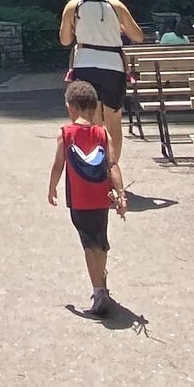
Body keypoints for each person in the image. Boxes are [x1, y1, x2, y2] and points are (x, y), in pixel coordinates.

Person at [47, 78, 128, 318]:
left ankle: (99, 291)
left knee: (88, 244)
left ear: (71, 107)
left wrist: (52, 187)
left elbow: (58, 165)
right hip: (101, 198)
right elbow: (112, 165)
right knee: (100, 240)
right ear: (94, 109)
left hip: (79, 200)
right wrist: (121, 194)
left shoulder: (65, 134)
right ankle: (102, 281)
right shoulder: (103, 133)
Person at [58, 0, 143, 166]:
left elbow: (65, 40)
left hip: (85, 64)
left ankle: (93, 168)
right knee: (113, 120)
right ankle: (112, 167)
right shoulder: (116, 5)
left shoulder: (73, 7)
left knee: (90, 119)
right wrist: (118, 27)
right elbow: (138, 36)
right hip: (112, 66)